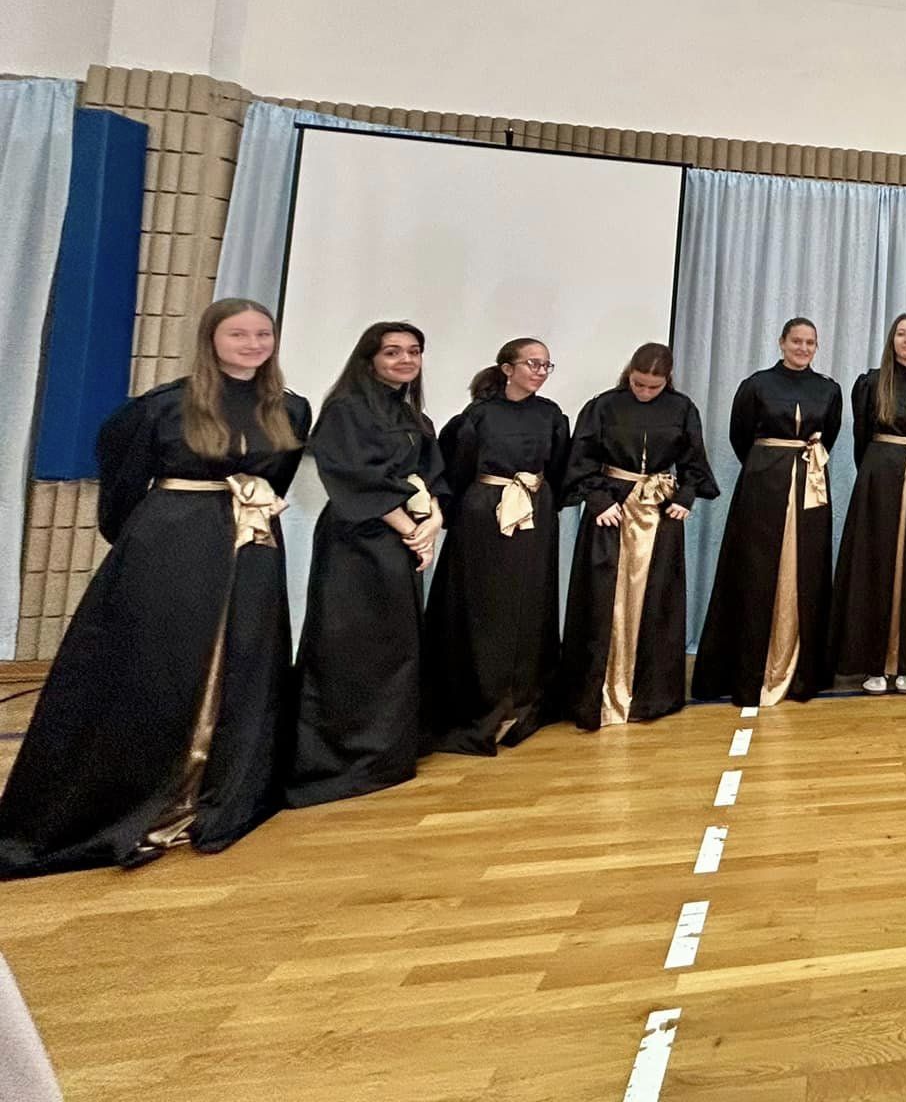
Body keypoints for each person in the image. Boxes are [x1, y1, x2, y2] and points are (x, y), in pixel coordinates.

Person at [0, 299, 310, 877]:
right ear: (211, 339)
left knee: (245, 661)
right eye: (238, 334)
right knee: (161, 665)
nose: (252, 344)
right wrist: (147, 542)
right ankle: (140, 799)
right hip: (172, 546)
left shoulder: (291, 408)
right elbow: (121, 485)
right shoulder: (164, 405)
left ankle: (217, 791)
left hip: (253, 550)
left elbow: (276, 478)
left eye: (262, 334)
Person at [289, 321, 448, 808]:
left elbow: (431, 476)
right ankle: (342, 759)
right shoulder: (345, 409)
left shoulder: (413, 416)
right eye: (392, 352)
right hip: (356, 542)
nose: (405, 360)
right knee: (350, 646)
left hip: (400, 543)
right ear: (370, 359)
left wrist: (433, 520)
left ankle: (386, 755)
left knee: (396, 647)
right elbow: (354, 477)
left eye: (414, 351)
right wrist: (409, 528)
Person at [420, 339, 571, 754]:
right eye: (532, 364)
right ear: (507, 368)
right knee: (487, 604)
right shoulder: (478, 416)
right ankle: (483, 696)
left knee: (530, 603)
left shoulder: (551, 415)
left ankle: (523, 697)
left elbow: (559, 468)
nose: (540, 372)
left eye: (546, 365)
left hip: (535, 517)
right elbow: (458, 469)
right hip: (484, 517)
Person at [557, 343, 718, 729]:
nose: (644, 392)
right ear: (629, 374)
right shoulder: (603, 406)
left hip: (660, 513)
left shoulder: (682, 409)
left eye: (653, 386)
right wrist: (598, 500)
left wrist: (685, 496)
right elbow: (581, 458)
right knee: (602, 595)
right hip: (611, 510)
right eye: (638, 384)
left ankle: (650, 695)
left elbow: (693, 460)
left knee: (658, 596)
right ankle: (595, 693)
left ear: (667, 380)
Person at [692, 318, 843, 708]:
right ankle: (750, 671)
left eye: (810, 343)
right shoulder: (756, 385)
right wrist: (768, 464)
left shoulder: (828, 389)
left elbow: (830, 433)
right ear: (782, 342)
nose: (803, 348)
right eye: (797, 341)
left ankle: (801, 670)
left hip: (810, 487)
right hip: (762, 487)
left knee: (807, 568)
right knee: (756, 569)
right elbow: (740, 436)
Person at [830, 314, 906, 694]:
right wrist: (878, 468)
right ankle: (873, 663)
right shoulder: (871, 384)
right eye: (901, 333)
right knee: (875, 563)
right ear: (892, 340)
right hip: (879, 477)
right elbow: (861, 437)